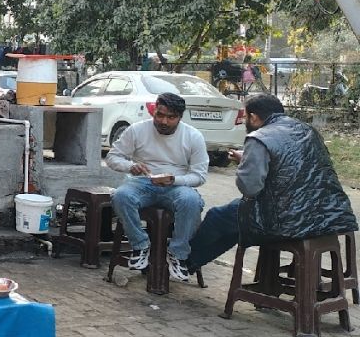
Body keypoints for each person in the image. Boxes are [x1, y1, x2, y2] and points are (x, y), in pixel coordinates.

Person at [186, 94, 357, 273]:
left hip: (288, 219)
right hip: (332, 213)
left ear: (253, 117)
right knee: (235, 221)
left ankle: (184, 259)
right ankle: (189, 263)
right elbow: (293, 165)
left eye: (245, 117)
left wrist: (246, 164)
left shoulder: (259, 137)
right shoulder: (307, 130)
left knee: (218, 217)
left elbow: (250, 189)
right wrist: (250, 159)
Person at [106, 92, 209, 282]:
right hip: (143, 182)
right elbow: (112, 157)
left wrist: (174, 180)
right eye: (160, 115)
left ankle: (178, 254)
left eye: (171, 117)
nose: (164, 121)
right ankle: (140, 244)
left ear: (180, 117)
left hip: (177, 185)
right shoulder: (137, 130)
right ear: (154, 111)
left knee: (191, 200)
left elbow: (200, 175)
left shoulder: (193, 136)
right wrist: (131, 166)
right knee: (121, 195)